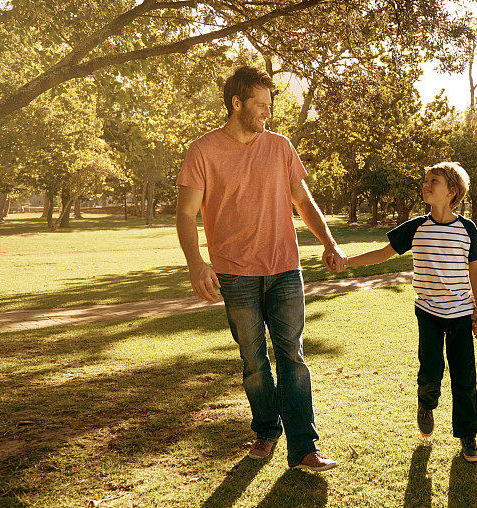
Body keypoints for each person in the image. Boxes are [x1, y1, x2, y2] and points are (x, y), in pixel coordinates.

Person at [175, 66, 345, 471]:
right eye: (261, 105)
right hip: (234, 273)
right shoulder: (202, 151)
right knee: (253, 360)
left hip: (285, 267)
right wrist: (196, 262)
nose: (268, 112)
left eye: (271, 105)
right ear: (237, 103)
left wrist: (329, 241)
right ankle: (268, 429)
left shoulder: (281, 146)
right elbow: (185, 214)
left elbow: (303, 202)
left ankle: (304, 446)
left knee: (292, 356)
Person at [334, 162, 477, 462]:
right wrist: (349, 262)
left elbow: (476, 271)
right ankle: (426, 403)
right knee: (430, 369)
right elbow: (383, 252)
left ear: (452, 191)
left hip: (460, 313)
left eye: (434, 181)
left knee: (464, 376)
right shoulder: (416, 227)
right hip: (428, 312)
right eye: (425, 179)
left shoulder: (467, 229)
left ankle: (467, 436)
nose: (426, 184)